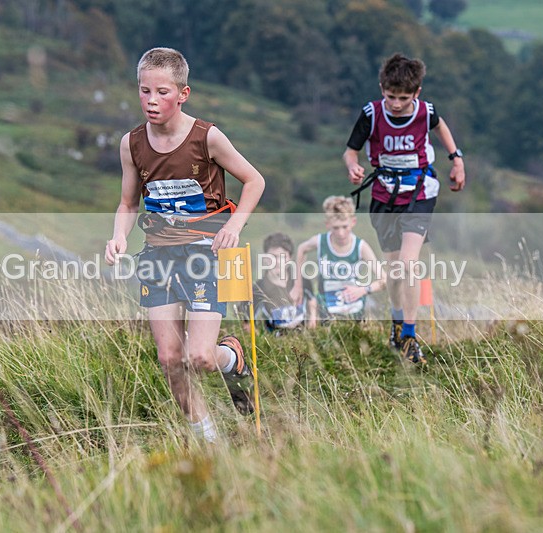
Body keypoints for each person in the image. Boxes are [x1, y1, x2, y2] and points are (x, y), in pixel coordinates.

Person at [104, 47, 265, 443]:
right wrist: (119, 236)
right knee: (170, 358)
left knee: (200, 358)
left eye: (161, 92)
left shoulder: (207, 137)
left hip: (204, 254)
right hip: (157, 256)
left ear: (183, 93)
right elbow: (128, 202)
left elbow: (255, 180)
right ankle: (210, 444)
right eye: (144, 91)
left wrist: (235, 227)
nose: (151, 101)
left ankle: (232, 356)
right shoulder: (132, 144)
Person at [343, 53, 465, 364]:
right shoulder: (371, 114)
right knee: (395, 270)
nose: (396, 103)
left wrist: (456, 159)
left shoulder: (426, 112)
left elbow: (441, 128)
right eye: (390, 96)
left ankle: (410, 336)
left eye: (403, 97)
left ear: (417, 93)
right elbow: (350, 152)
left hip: (420, 192)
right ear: (382, 88)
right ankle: (397, 326)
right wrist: (353, 167)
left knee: (409, 265)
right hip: (384, 195)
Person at [290, 196, 384, 324]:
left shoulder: (360, 246)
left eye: (345, 227)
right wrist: (298, 285)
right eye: (336, 228)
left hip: (354, 311)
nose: (341, 233)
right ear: (327, 224)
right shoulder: (321, 241)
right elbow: (301, 249)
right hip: (326, 310)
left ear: (353, 222)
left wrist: (363, 290)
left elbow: (384, 280)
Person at [251, 232, 317, 333]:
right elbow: (247, 323)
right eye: (272, 256)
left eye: (282, 257)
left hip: (304, 340)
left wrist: (313, 320)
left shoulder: (302, 281)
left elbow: (312, 300)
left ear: (290, 258)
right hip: (275, 343)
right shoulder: (258, 288)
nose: (277, 261)